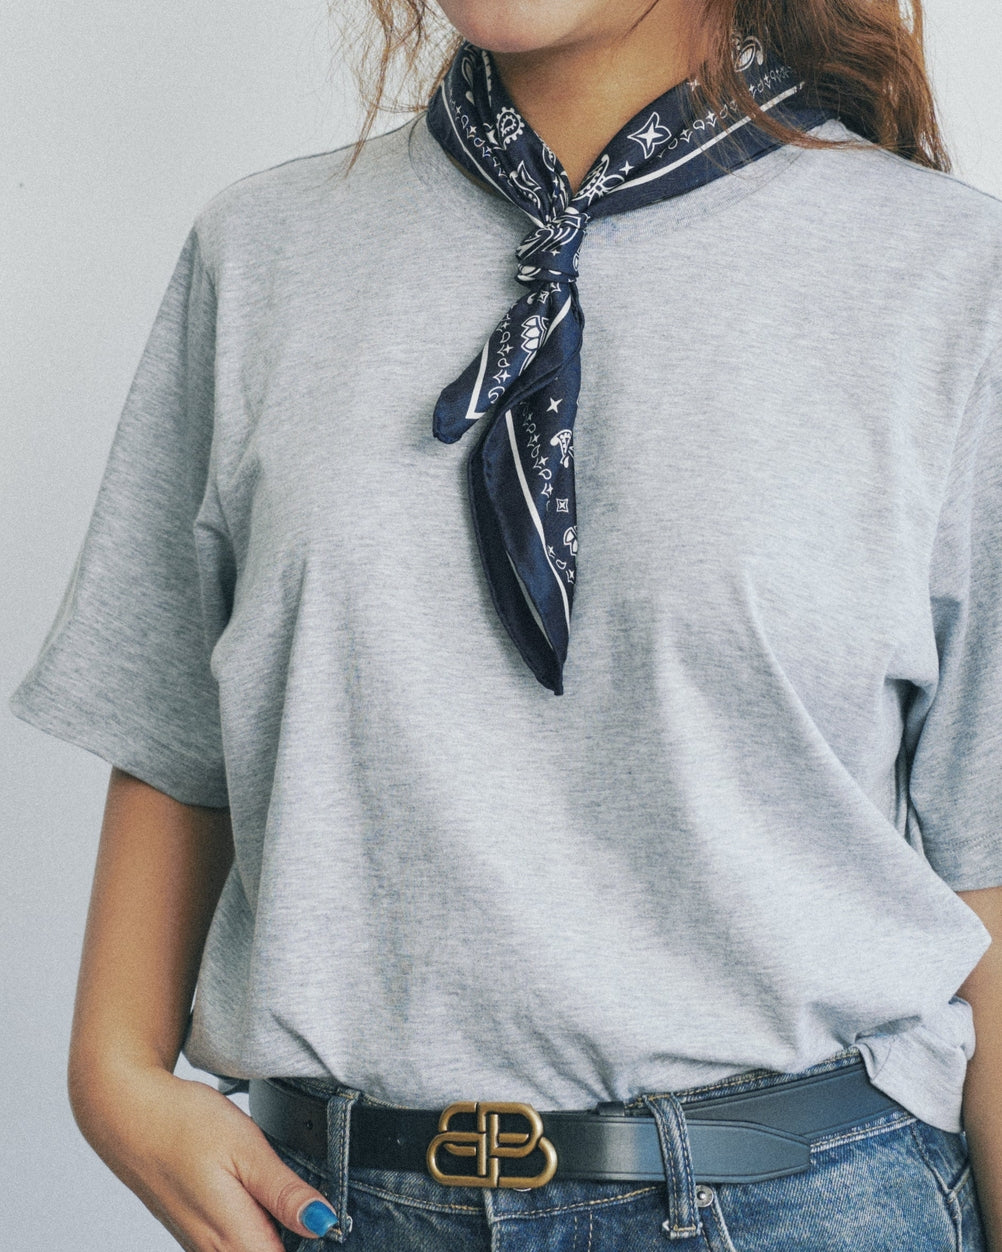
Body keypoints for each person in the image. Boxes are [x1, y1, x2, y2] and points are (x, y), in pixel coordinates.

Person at [9, 0, 1002, 1248]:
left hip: (800, 1202)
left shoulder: (953, 280)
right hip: (344, 1205)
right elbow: (177, 720)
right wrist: (114, 1075)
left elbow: (989, 851)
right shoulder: (260, 253)